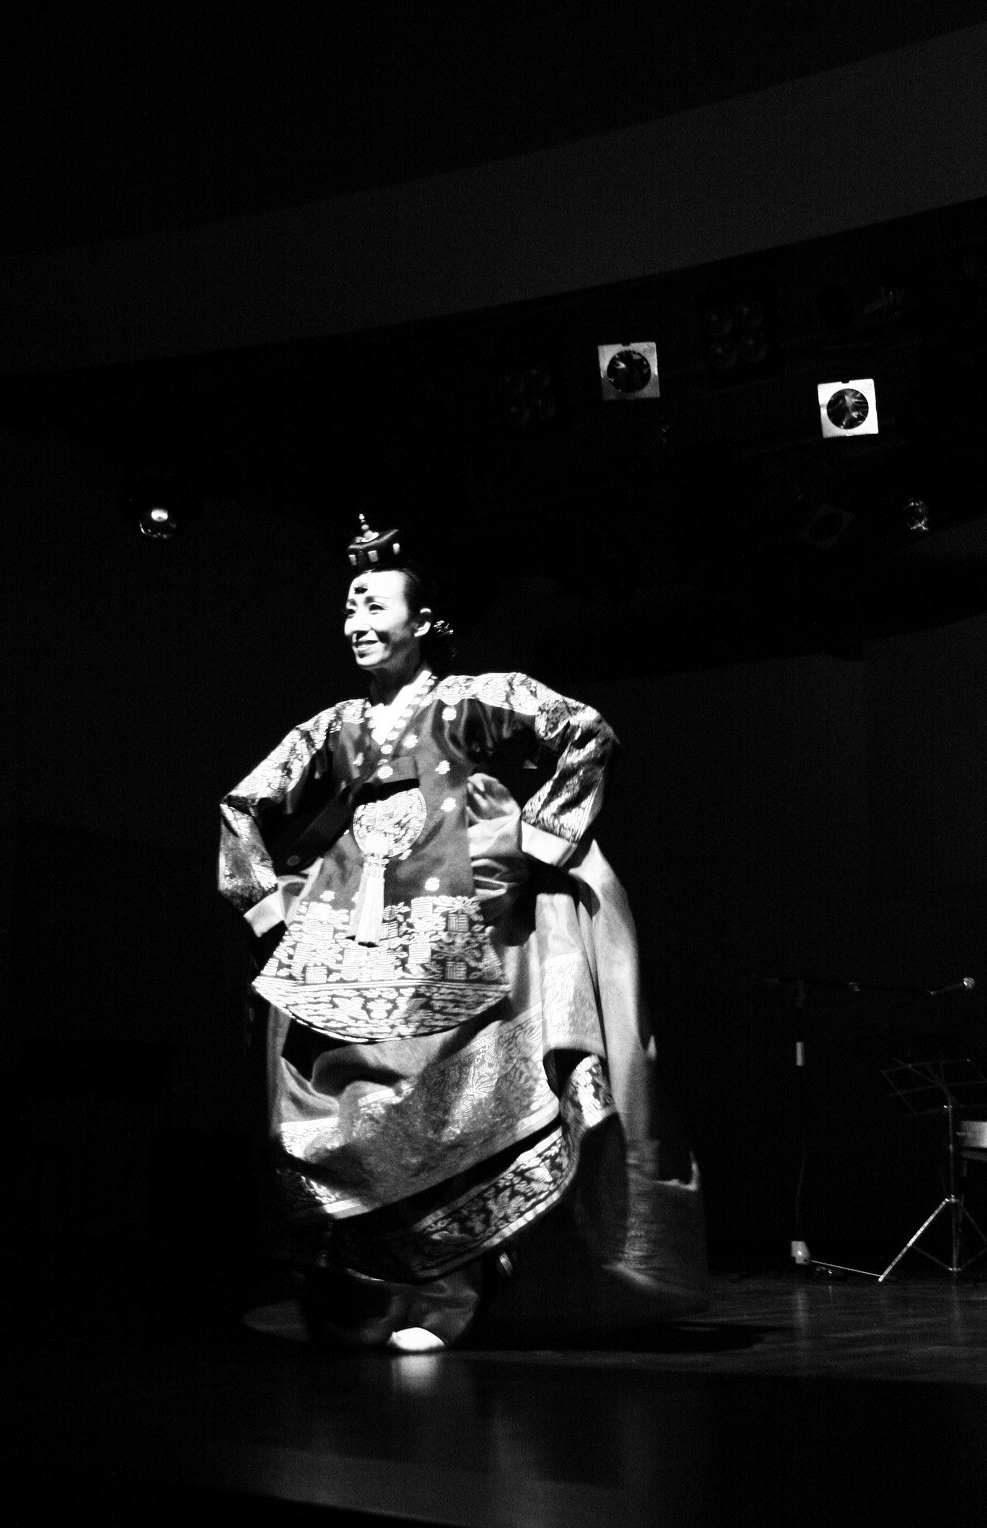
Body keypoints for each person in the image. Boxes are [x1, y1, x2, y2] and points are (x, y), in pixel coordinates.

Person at [219, 517, 706, 1351]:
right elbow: (242, 806)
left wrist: (532, 847)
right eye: (348, 608)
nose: (356, 622)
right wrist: (267, 906)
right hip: (352, 924)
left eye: (374, 605)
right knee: (342, 1109)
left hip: (455, 921)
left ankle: (451, 1292)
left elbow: (585, 731)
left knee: (446, 1103)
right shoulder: (333, 728)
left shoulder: (474, 699)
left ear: (424, 621)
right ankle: (376, 1296)